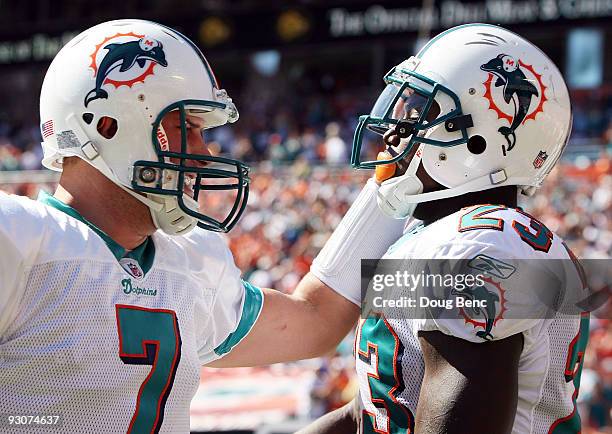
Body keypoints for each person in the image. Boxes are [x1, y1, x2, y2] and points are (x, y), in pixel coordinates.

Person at [0, 19, 406, 433]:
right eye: (186, 127)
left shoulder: (186, 264)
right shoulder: (18, 238)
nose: (205, 150)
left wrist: (392, 189)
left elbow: (316, 323)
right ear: (107, 126)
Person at [300, 23, 591, 434]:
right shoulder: (435, 235)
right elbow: (377, 410)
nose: (393, 130)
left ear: (479, 140)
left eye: (419, 112)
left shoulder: (479, 245)